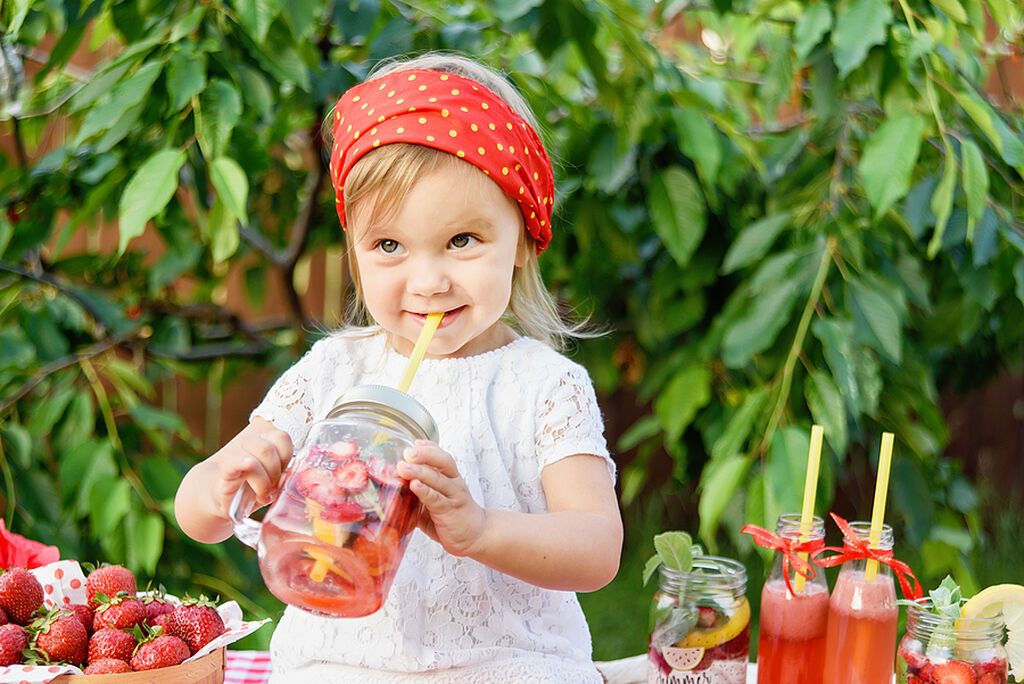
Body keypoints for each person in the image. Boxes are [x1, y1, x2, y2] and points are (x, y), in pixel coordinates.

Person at [174, 52, 623, 683]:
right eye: (389, 246)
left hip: (505, 667)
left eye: (463, 241)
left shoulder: (544, 386)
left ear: (523, 238)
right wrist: (229, 479)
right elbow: (197, 514)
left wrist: (479, 529)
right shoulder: (334, 372)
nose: (429, 282)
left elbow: (597, 550)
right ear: (356, 251)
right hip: (336, 667)